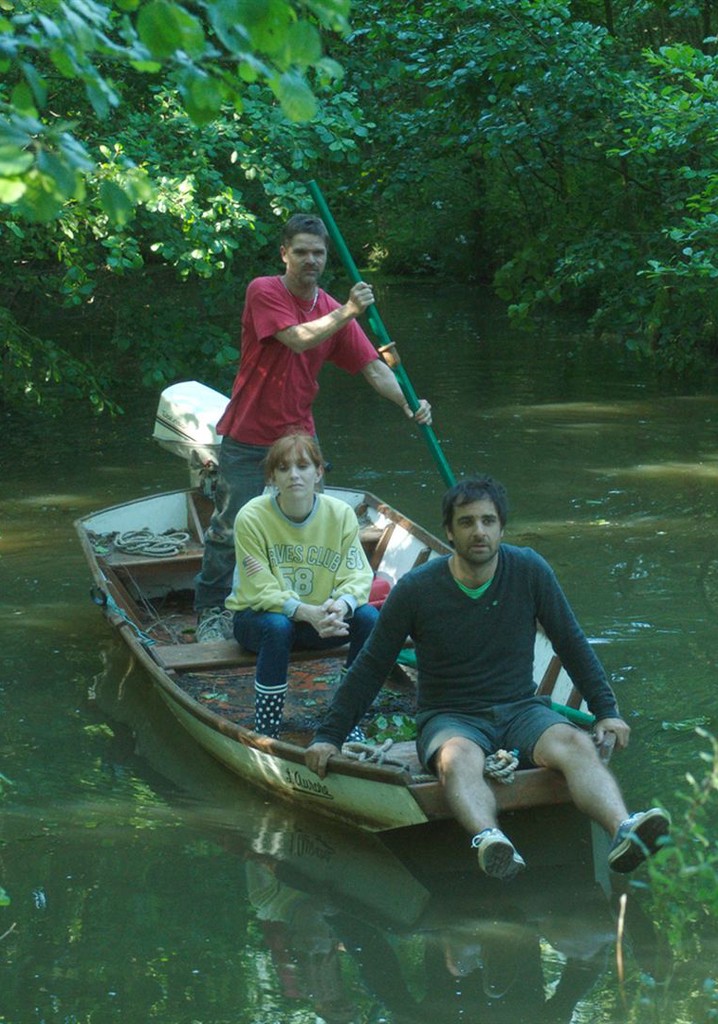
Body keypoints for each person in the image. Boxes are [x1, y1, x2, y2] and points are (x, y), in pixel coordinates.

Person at [306, 476, 671, 880]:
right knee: (458, 759)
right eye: (466, 522)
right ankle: (489, 839)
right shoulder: (416, 589)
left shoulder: (529, 570)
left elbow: (570, 641)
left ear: (501, 528)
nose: (478, 531)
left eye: (487, 521)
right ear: (449, 530)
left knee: (575, 741)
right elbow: (371, 666)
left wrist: (606, 711)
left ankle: (623, 829)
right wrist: (329, 735)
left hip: (521, 709)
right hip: (450, 717)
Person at [194, 212, 432, 642]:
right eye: (300, 251)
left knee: (315, 530)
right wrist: (349, 311)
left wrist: (409, 405)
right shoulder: (264, 291)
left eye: (318, 253)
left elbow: (374, 369)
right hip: (248, 432)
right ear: (284, 253)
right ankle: (212, 611)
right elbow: (298, 338)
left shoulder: (332, 310)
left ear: (326, 258)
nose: (310, 260)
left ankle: (316, 610)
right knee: (229, 528)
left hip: (298, 437)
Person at [226, 432, 379, 738]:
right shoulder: (251, 517)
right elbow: (259, 589)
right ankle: (267, 728)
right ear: (272, 477)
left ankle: (346, 719)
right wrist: (306, 611)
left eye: (303, 466)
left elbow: (358, 574)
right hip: (258, 622)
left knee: (368, 618)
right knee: (277, 626)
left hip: (321, 622)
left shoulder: (341, 514)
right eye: (283, 468)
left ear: (318, 472)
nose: (294, 475)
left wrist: (341, 605)